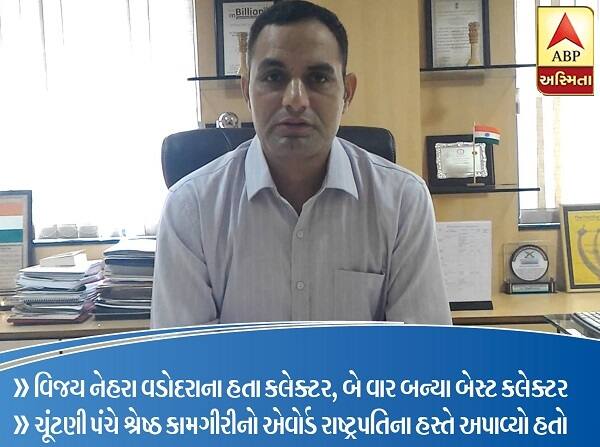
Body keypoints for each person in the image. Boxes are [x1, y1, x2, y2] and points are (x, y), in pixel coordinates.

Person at [151, 0, 451, 327]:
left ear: (347, 93)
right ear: (246, 90)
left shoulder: (403, 201)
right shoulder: (191, 207)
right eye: (274, 77)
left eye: (318, 78)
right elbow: (184, 356)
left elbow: (423, 349)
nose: (295, 99)